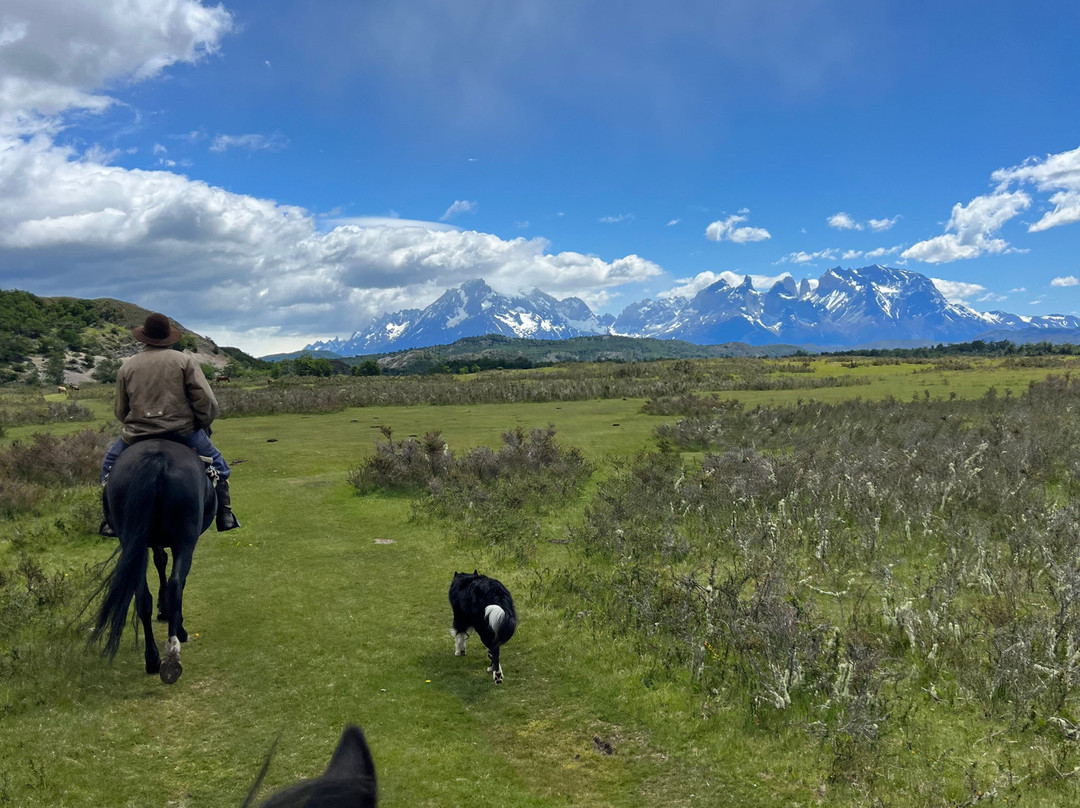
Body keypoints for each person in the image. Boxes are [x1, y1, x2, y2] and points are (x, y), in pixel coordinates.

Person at [99, 312, 240, 535]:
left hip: (138, 434)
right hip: (182, 432)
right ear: (168, 338)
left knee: (108, 466)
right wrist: (201, 423)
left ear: (144, 338)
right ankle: (225, 515)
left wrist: (135, 423)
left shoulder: (127, 367)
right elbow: (206, 400)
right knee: (220, 468)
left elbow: (120, 409)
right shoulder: (184, 361)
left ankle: (109, 521)